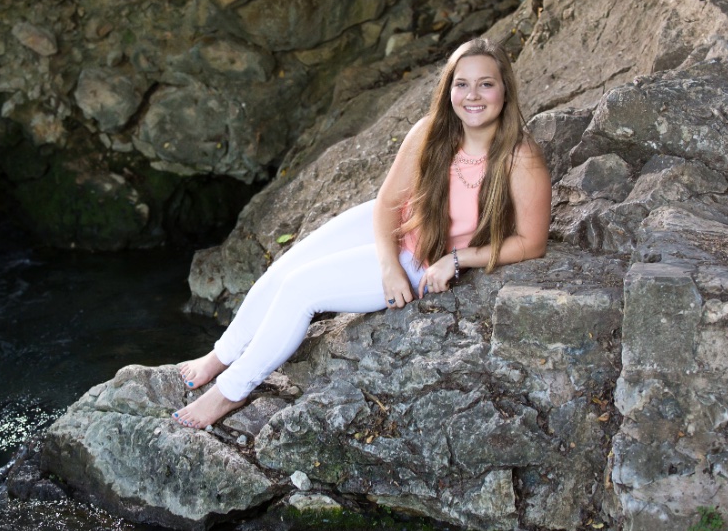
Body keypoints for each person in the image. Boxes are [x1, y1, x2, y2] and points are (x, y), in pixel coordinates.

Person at [172, 38, 552, 429]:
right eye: (462, 84)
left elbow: (532, 241)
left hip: (421, 256)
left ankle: (229, 392)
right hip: (389, 227)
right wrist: (388, 266)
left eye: (485, 84)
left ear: (505, 89)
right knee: (282, 271)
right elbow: (388, 202)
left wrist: (458, 259)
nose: (472, 95)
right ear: (448, 89)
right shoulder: (430, 132)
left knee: (300, 289)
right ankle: (220, 355)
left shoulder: (520, 157)